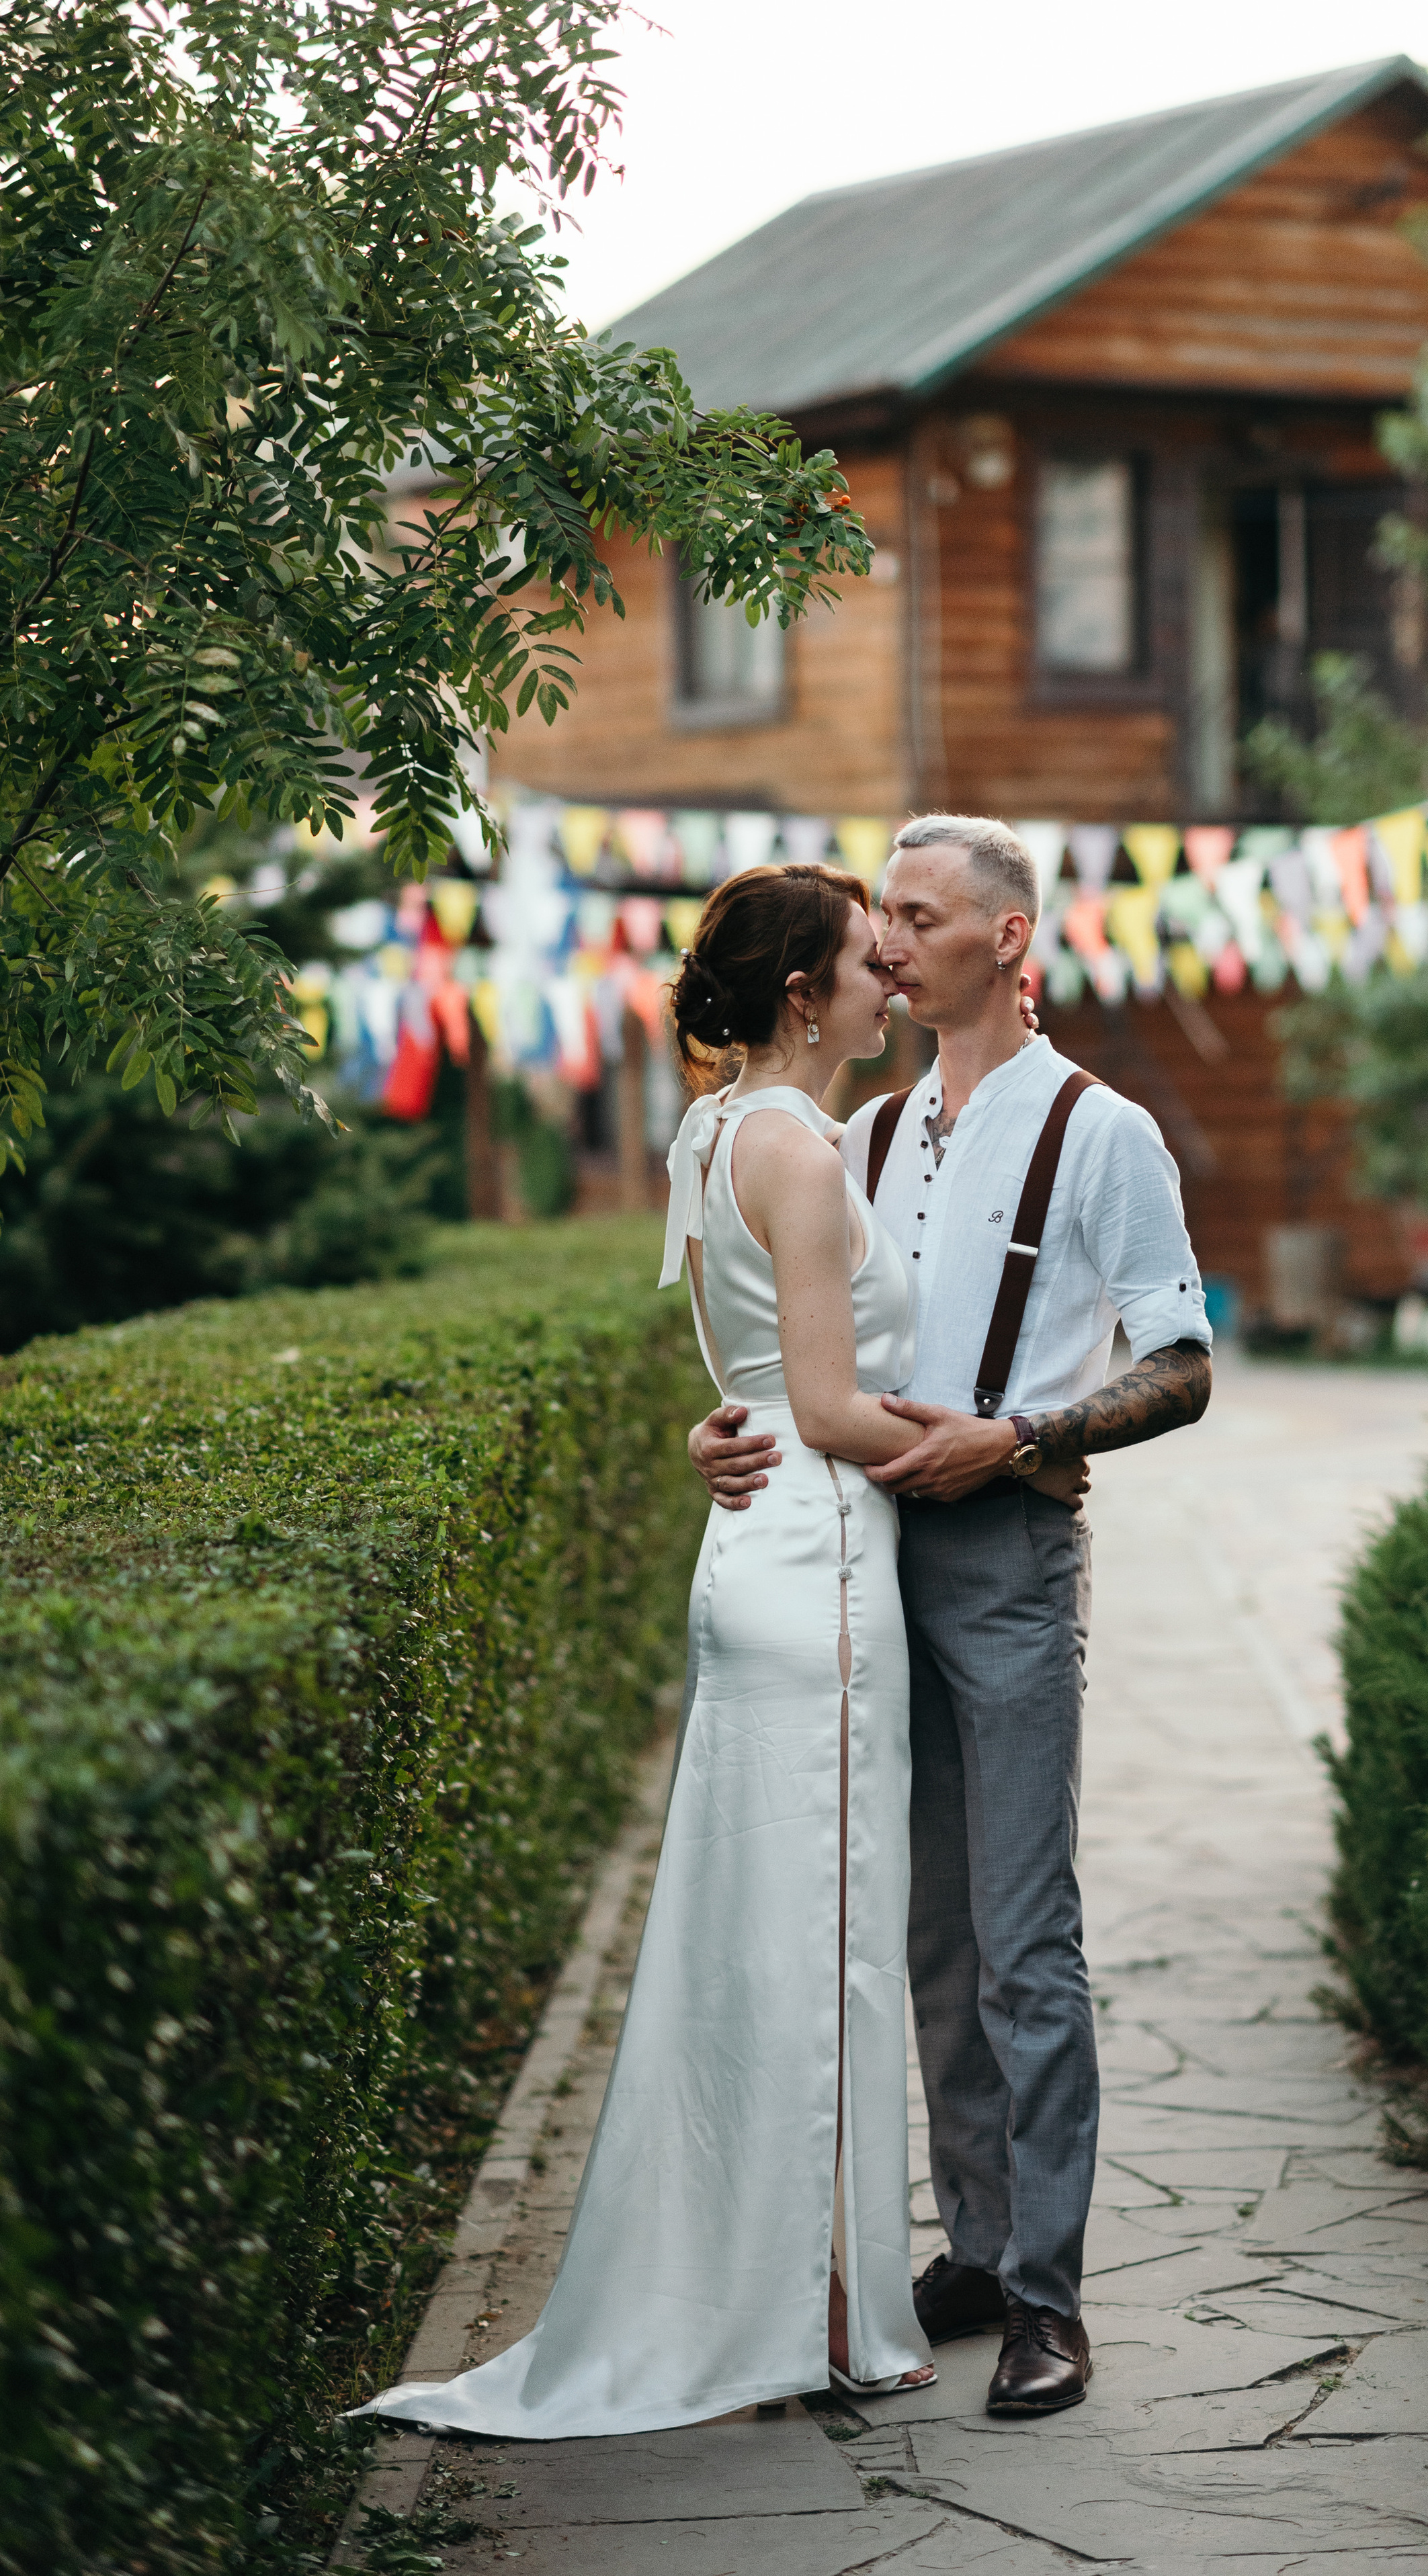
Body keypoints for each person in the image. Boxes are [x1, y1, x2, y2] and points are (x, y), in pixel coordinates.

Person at [357, 863, 938, 2439]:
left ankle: (788, 2297)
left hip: (752, 1547)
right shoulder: (799, 1156)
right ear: (803, 995)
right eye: (868, 963)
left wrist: (723, 1427)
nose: (893, 981)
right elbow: (819, 1409)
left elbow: (749, 1372)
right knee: (822, 1946)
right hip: (815, 1560)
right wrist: (1004, 1442)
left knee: (765, 1936)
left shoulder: (713, 1134)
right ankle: (813, 2321)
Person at [689, 815, 1213, 2418]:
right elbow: (801, 1361)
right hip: (857, 1553)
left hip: (1004, 1559)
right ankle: (974, 2252)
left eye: (918, 916)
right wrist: (722, 1436)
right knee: (922, 1939)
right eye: (883, 920)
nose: (890, 941)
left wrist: (1030, 1435)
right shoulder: (861, 1136)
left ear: (1005, 941)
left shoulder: (1101, 1131)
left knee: (1022, 1939)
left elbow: (1181, 1363)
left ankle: (1049, 2297)